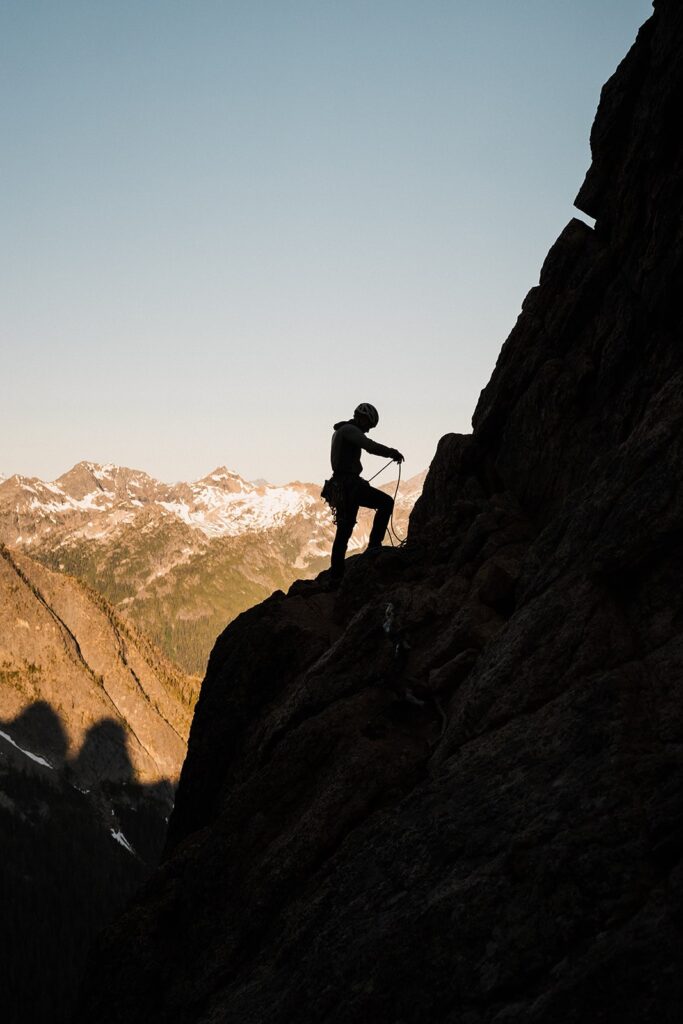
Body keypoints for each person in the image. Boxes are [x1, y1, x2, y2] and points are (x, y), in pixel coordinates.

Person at [328, 402, 404, 585]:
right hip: (350, 484)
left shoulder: (341, 431)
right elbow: (369, 446)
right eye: (369, 425)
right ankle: (374, 547)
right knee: (385, 503)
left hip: (341, 486)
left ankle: (336, 577)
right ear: (363, 418)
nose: (368, 430)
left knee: (344, 531)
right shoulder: (350, 430)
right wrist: (391, 452)